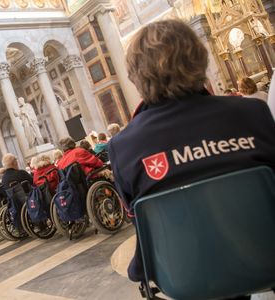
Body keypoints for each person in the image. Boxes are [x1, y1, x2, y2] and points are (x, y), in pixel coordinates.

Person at [107, 19, 275, 292]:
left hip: (183, 278)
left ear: (135, 76)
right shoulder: (252, 113)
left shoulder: (123, 146)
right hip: (268, 258)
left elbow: (139, 220)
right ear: (200, 59)